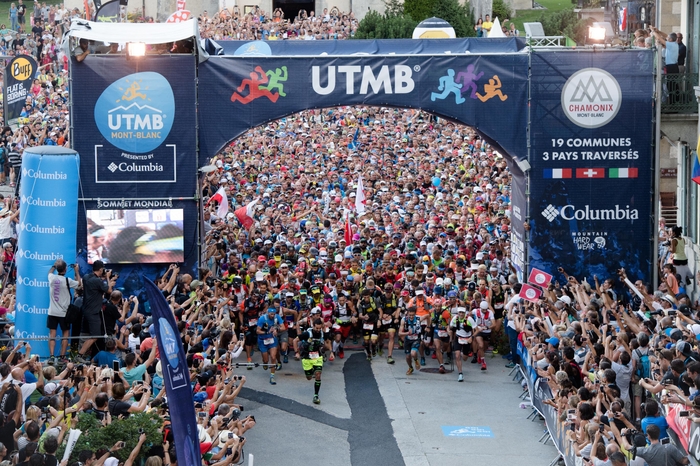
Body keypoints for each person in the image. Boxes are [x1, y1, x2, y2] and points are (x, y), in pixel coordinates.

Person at [77, 260, 115, 362]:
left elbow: (95, 284)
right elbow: (109, 290)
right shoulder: (98, 281)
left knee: (87, 334)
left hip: (86, 310)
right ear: (101, 269)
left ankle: (82, 355)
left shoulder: (86, 277)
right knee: (95, 336)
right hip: (93, 312)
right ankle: (80, 355)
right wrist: (108, 277)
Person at [46, 259, 81, 363]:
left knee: (52, 334)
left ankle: (51, 356)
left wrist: (54, 266)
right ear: (65, 269)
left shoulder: (52, 278)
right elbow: (79, 284)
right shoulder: (67, 280)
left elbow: (49, 273)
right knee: (65, 335)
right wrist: (76, 271)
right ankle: (62, 357)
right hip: (64, 313)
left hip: (52, 312)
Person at [299, 319, 325, 404]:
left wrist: (330, 352)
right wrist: (296, 352)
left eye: (319, 328)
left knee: (318, 375)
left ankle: (316, 395)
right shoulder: (307, 334)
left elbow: (325, 343)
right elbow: (295, 341)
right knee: (309, 378)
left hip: (317, 357)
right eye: (317, 328)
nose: (318, 330)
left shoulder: (321, 333)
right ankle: (312, 370)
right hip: (307, 358)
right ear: (313, 326)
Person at [257, 307, 283, 385]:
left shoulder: (277, 317)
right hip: (263, 340)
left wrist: (277, 330)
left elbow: (283, 327)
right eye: (271, 314)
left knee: (273, 357)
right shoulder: (262, 319)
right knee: (266, 360)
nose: (272, 316)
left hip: (272, 340)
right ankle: (265, 363)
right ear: (268, 313)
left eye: (274, 314)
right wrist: (267, 332)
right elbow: (258, 331)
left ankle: (272, 376)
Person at [449, 307, 474, 382]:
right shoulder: (455, 318)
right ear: (458, 313)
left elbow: (477, 330)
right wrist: (451, 334)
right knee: (457, 355)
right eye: (460, 312)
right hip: (458, 338)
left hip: (467, 339)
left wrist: (472, 337)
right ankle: (460, 374)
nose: (461, 314)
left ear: (465, 313)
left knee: (465, 358)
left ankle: (463, 353)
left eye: (462, 313)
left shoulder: (469, 319)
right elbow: (450, 327)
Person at [399, 306, 423, 375]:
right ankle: (410, 367)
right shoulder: (404, 320)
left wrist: (428, 327)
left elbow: (428, 316)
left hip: (416, 339)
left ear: (415, 314)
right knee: (408, 356)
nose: (411, 317)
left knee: (413, 353)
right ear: (407, 314)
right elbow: (399, 333)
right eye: (410, 315)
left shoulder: (418, 318)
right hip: (407, 339)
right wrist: (407, 333)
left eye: (413, 315)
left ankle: (416, 360)